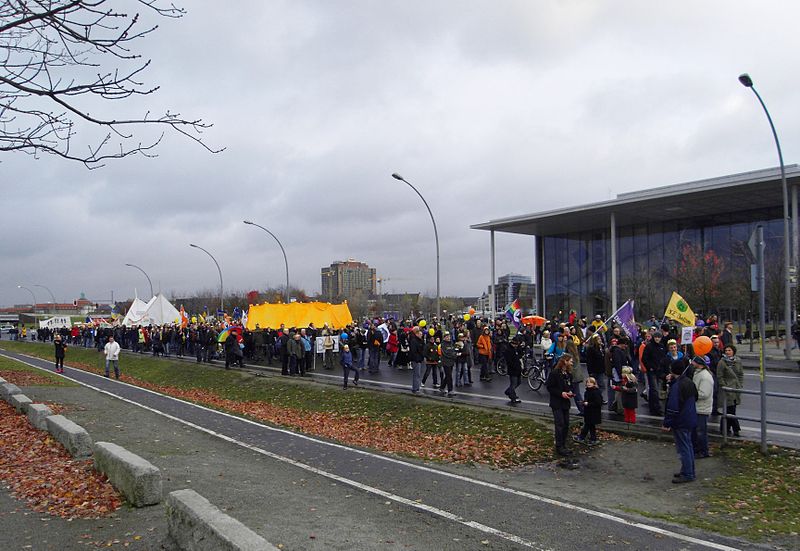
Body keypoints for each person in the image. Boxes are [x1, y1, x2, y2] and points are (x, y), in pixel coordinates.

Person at [663, 360, 698, 483]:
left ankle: (687, 473)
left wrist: (667, 423)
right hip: (689, 418)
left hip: (681, 420)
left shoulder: (677, 386)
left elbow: (673, 407)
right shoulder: (688, 382)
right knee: (688, 445)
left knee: (683, 447)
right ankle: (688, 470)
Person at [546, 355, 574, 456]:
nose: (572, 363)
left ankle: (563, 444)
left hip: (565, 402)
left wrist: (570, 391)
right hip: (557, 402)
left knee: (566, 424)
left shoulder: (568, 374)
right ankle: (559, 446)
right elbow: (549, 387)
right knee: (560, 424)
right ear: (565, 362)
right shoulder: (555, 373)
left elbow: (570, 385)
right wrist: (560, 393)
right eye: (570, 361)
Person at [717, 344, 743, 437]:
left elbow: (740, 374)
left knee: (731, 409)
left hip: (736, 388)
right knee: (729, 409)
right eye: (726, 350)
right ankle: (736, 429)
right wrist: (724, 386)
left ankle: (725, 428)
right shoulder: (722, 362)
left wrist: (740, 385)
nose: (727, 352)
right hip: (727, 389)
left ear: (733, 352)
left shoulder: (738, 361)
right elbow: (719, 376)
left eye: (729, 350)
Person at [691, 355, 714, 459]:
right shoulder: (698, 374)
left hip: (702, 408)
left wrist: (691, 395)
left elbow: (704, 394)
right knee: (696, 431)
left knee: (700, 432)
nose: (692, 364)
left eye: (693, 362)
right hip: (698, 407)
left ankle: (703, 451)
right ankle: (698, 450)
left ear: (699, 364)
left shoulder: (705, 377)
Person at [575, 376, 602, 445]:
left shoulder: (595, 392)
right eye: (587, 382)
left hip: (593, 412)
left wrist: (588, 403)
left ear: (594, 384)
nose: (588, 383)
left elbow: (598, 403)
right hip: (589, 412)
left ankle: (582, 437)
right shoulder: (588, 391)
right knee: (590, 426)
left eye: (590, 382)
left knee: (588, 425)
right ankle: (592, 438)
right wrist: (584, 403)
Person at [502, 336, 524, 405]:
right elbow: (509, 361)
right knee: (513, 384)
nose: (516, 346)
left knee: (519, 382)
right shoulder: (508, 350)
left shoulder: (516, 348)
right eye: (515, 344)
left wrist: (520, 347)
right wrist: (514, 366)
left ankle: (509, 391)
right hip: (513, 369)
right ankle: (513, 397)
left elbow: (520, 354)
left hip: (518, 368)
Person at [438, 332, 457, 398]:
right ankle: (450, 390)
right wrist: (453, 355)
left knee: (448, 376)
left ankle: (442, 387)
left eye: (449, 336)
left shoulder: (451, 343)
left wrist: (455, 354)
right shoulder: (443, 344)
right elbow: (446, 353)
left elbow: (454, 350)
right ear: (444, 338)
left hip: (451, 362)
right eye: (447, 337)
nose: (448, 338)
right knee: (449, 376)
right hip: (446, 362)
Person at [408, 326, 425, 393]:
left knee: (418, 374)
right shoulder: (414, 341)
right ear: (417, 334)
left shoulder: (420, 341)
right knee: (416, 374)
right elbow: (414, 351)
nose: (421, 336)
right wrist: (418, 358)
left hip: (419, 359)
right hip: (416, 360)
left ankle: (416, 387)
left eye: (422, 335)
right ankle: (415, 389)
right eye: (420, 334)